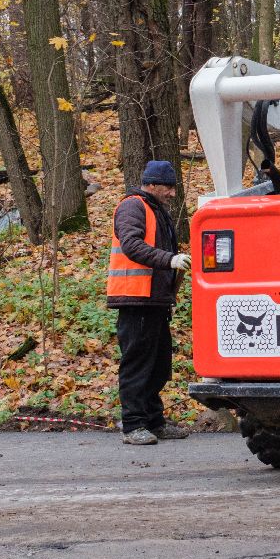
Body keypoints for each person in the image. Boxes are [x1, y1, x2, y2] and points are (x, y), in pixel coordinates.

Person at [108, 160, 193, 445]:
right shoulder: (133, 206)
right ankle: (133, 426)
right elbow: (131, 245)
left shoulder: (155, 209)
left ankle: (154, 421)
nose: (172, 193)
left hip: (153, 300)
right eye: (168, 187)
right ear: (153, 184)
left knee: (158, 365)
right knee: (137, 364)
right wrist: (169, 259)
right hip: (135, 298)